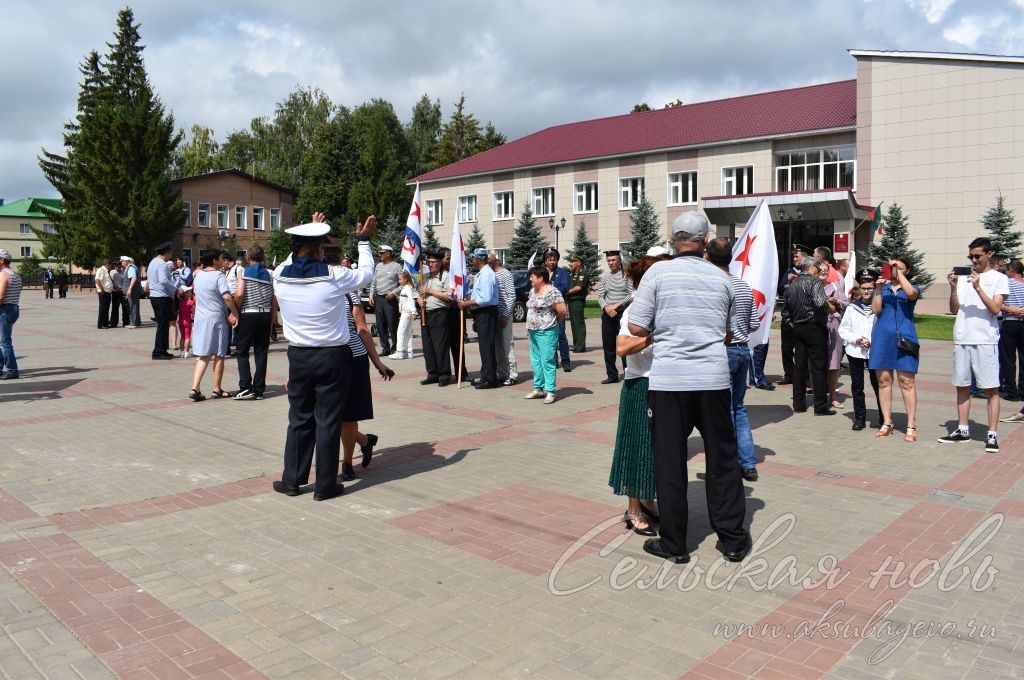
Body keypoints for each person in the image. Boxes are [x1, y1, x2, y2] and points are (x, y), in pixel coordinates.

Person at [627, 211, 751, 564]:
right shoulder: (722, 278)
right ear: (704, 241)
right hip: (712, 378)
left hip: (669, 381)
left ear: (674, 238)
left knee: (669, 462)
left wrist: (668, 330)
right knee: (723, 459)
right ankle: (732, 539)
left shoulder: (657, 273)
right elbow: (729, 333)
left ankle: (675, 544)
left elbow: (636, 328)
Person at [271, 214, 377, 501]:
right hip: (332, 356)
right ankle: (325, 485)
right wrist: (363, 242)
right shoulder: (334, 276)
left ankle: (292, 481)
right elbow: (366, 275)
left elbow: (286, 261)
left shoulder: (279, 275)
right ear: (319, 250)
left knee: (299, 419)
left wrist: (311, 226)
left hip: (299, 357)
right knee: (328, 420)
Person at [608, 254, 666, 537]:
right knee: (636, 447)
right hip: (639, 386)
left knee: (657, 450)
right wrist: (655, 335)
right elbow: (621, 347)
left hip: (665, 386)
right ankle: (633, 508)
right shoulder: (635, 311)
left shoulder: (665, 307)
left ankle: (648, 499)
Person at [939, 237, 1009, 452]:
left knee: (991, 389)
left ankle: (991, 434)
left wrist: (978, 288)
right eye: (970, 256)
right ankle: (962, 429)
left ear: (989, 254)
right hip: (962, 337)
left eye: (977, 256)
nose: (973, 260)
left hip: (985, 340)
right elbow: (954, 309)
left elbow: (995, 310)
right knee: (962, 386)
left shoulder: (998, 278)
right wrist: (952, 288)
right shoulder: (963, 278)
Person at [707, 237, 761, 482]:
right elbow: (753, 324)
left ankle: (724, 467)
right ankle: (748, 464)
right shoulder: (743, 286)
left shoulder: (713, 285)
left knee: (721, 412)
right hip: (742, 351)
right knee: (738, 408)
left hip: (723, 351)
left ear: (708, 257)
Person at [340, 289, 393, 481]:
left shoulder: (349, 295)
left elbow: (362, 329)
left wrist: (378, 363)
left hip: (354, 359)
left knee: (348, 416)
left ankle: (347, 463)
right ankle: (364, 440)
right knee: (329, 416)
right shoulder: (312, 291)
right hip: (324, 361)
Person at [869, 257, 921, 440]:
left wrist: (898, 273)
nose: (893, 269)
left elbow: (911, 294)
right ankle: (887, 421)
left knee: (907, 382)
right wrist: (879, 289)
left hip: (905, 338)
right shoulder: (882, 287)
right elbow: (875, 309)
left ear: (907, 270)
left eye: (899, 267)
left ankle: (911, 425)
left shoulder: (913, 286)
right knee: (883, 380)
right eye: (892, 267)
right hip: (883, 339)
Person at [783, 256, 833, 415]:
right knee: (818, 366)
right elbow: (819, 303)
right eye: (818, 268)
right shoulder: (815, 282)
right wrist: (828, 304)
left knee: (799, 366)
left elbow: (786, 311)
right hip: (814, 327)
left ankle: (798, 404)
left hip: (797, 328)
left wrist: (793, 323)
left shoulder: (792, 284)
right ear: (812, 268)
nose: (819, 271)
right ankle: (820, 406)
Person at [188, 251, 239, 401]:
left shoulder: (198, 276)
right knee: (219, 353)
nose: (222, 261)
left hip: (200, 318)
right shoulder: (218, 276)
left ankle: (195, 387)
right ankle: (217, 388)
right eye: (220, 259)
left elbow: (196, 295)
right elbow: (227, 296)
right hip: (216, 318)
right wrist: (235, 313)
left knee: (203, 355)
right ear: (215, 260)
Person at [840, 271, 883, 431]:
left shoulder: (879, 306)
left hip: (875, 351)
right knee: (857, 386)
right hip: (855, 351)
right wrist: (857, 339)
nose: (866, 291)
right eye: (864, 288)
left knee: (878, 384)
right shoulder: (852, 308)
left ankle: (883, 415)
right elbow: (843, 330)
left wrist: (872, 341)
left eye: (870, 288)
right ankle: (859, 417)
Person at [233, 246, 275, 400]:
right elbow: (273, 299)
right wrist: (272, 321)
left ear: (248, 257)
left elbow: (239, 293)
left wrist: (234, 311)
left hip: (248, 314)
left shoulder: (242, 271)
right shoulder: (270, 274)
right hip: (265, 315)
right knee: (261, 352)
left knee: (242, 351)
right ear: (263, 258)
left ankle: (245, 387)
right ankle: (259, 390)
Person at [523, 266, 567, 404]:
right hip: (533, 331)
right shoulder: (532, 290)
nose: (530, 279)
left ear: (541, 278)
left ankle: (551, 391)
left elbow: (562, 310)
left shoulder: (552, 291)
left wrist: (554, 321)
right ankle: (538, 389)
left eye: (532, 276)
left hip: (547, 330)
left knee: (547, 361)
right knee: (535, 360)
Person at [460, 248, 500, 389]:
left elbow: (486, 298)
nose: (472, 260)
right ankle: (485, 376)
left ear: (478, 259)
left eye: (473, 258)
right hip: (481, 313)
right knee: (484, 346)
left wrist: (467, 303)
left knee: (487, 347)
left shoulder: (486, 274)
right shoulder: (481, 274)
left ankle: (490, 379)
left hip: (486, 313)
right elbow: (478, 293)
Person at [777, 245, 811, 385]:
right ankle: (789, 374)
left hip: (803, 315)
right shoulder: (789, 271)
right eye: (794, 257)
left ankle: (806, 376)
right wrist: (788, 285)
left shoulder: (810, 272)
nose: (794, 259)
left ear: (805, 257)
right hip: (788, 315)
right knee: (786, 347)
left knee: (803, 348)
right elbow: (780, 289)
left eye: (797, 256)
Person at [418, 253, 454, 386]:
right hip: (425, 313)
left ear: (440, 263)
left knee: (441, 345)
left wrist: (430, 291)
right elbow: (418, 293)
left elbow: (450, 296)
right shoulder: (425, 277)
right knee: (428, 346)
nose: (430, 264)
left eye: (433, 262)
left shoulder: (445, 277)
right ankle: (432, 373)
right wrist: (419, 300)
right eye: (429, 262)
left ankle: (444, 374)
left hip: (439, 313)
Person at [598, 250, 632, 384]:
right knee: (608, 345)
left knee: (624, 344)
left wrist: (616, 306)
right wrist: (607, 307)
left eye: (613, 260)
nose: (611, 263)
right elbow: (600, 296)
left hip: (622, 313)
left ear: (619, 261)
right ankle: (612, 375)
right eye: (609, 261)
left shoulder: (627, 276)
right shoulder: (605, 277)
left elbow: (630, 294)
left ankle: (628, 372)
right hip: (608, 314)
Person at [820, 261, 849, 407]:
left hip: (833, 327)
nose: (824, 272)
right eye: (821, 270)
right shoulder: (812, 286)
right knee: (816, 364)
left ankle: (833, 397)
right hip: (817, 327)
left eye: (826, 270)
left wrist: (836, 301)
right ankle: (819, 397)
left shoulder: (835, 286)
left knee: (833, 363)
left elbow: (846, 303)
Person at [489, 253, 518, 386]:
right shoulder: (490, 273)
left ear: (495, 261)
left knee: (506, 344)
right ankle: (501, 373)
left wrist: (505, 315)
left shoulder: (505, 273)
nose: (487, 263)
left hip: (504, 314)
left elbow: (512, 295)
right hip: (494, 314)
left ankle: (512, 374)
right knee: (497, 347)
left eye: (488, 260)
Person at [368, 245, 402, 356]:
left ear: (388, 253)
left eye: (382, 253)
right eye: (379, 253)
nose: (380, 255)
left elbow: (404, 283)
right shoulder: (378, 266)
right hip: (379, 299)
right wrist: (371, 295)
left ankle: (396, 347)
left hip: (390, 299)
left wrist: (394, 292)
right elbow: (374, 281)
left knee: (392, 324)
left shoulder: (397, 266)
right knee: (380, 324)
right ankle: (385, 348)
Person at [998, 259, 1024, 401]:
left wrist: (1012, 310)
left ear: (1011, 271)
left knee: (1008, 358)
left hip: (1010, 322)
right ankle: (1023, 391)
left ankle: (1011, 392)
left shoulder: (1006, 283)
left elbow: (998, 304)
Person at [148, 242, 178, 359]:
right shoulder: (161, 264)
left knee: (163, 324)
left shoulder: (153, 262)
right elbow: (164, 280)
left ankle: (163, 350)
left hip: (155, 296)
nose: (171, 255)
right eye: (170, 252)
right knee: (163, 325)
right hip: (161, 297)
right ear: (166, 252)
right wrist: (175, 290)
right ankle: (158, 351)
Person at [545, 249, 572, 372]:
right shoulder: (543, 273)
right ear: (546, 261)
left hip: (559, 307)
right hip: (546, 309)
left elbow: (565, 287)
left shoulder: (563, 273)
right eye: (549, 260)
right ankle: (554, 361)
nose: (552, 262)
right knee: (550, 336)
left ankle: (566, 361)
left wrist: (549, 289)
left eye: (554, 260)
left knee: (561, 335)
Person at [0, 249, 22, 380]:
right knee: (2, 340)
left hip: (4, 309)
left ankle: (13, 371)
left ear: (2, 260)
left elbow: (1, 295)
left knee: (5, 341)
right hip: (13, 308)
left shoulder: (3, 274)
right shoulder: (16, 275)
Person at [565, 253, 589, 353]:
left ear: (579, 263)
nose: (571, 263)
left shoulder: (583, 273)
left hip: (577, 300)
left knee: (578, 323)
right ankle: (576, 345)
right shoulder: (574, 273)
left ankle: (581, 346)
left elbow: (579, 287)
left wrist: (567, 292)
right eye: (571, 261)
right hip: (571, 300)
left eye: (573, 261)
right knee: (573, 324)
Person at [393, 269, 418, 360]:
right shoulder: (406, 288)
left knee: (400, 331)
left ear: (406, 279)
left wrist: (414, 312)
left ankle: (400, 352)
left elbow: (411, 300)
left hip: (406, 312)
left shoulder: (408, 288)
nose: (399, 281)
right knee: (407, 332)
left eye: (400, 279)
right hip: (406, 311)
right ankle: (409, 352)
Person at [95, 259, 114, 329]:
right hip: (104, 292)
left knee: (106, 309)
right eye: (110, 265)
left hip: (108, 292)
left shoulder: (106, 271)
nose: (111, 267)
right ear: (107, 264)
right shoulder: (101, 270)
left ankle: (105, 323)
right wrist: (101, 289)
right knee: (103, 309)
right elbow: (97, 280)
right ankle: (101, 324)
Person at [122, 257, 141, 327]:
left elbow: (133, 278)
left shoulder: (130, 268)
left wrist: (129, 289)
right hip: (134, 291)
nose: (122, 262)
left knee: (133, 306)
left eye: (122, 261)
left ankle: (134, 323)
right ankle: (137, 322)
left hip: (133, 291)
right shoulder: (131, 267)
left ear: (126, 261)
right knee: (134, 306)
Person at [177, 287, 195, 358]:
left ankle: (181, 352)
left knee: (182, 337)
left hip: (180, 320)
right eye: (189, 291)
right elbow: (193, 312)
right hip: (187, 321)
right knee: (187, 337)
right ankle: (186, 353)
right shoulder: (191, 302)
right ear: (187, 293)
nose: (191, 292)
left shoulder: (180, 302)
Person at [110, 260, 126, 328]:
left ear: (121, 266)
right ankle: (113, 323)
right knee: (114, 308)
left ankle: (125, 322)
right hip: (115, 292)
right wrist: (114, 288)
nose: (117, 268)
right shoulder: (112, 272)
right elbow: (110, 281)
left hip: (122, 291)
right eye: (116, 267)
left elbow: (126, 282)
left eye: (118, 267)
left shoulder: (124, 272)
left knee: (124, 308)